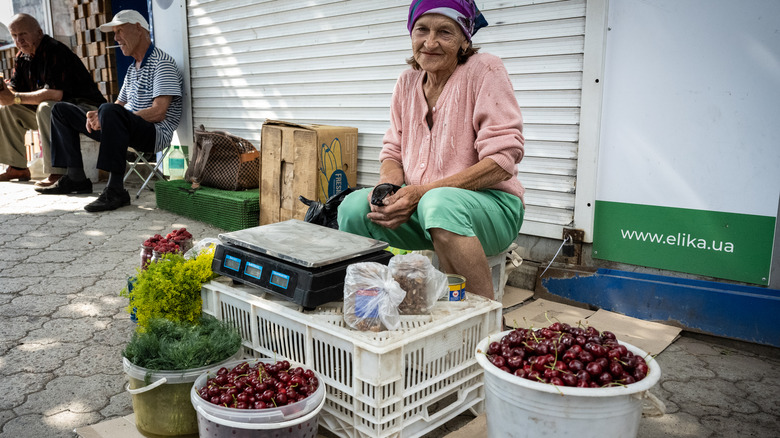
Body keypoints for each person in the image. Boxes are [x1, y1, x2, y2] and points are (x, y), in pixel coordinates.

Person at [337, 0, 525, 300]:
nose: (430, 42)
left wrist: (421, 192)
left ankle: (484, 319)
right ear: (411, 34)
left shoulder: (484, 69)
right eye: (421, 29)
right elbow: (393, 152)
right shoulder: (407, 81)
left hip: (491, 209)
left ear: (465, 39)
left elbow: (502, 160)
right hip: (427, 207)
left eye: (445, 32)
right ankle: (374, 307)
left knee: (438, 203)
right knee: (353, 208)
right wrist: (388, 190)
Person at [37, 9, 183, 212]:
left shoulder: (162, 63)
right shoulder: (133, 68)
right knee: (60, 110)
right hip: (124, 128)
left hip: (153, 134)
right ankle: (75, 177)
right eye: (114, 33)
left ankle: (116, 190)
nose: (116, 38)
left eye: (120, 31)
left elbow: (159, 112)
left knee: (109, 111)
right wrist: (98, 117)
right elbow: (118, 106)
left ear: (138, 29)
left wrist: (111, 116)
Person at [0, 13, 106, 185]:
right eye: (14, 35)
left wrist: (15, 97)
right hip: (57, 111)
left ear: (39, 33)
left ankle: (59, 171)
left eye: (23, 34)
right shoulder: (22, 56)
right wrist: (6, 91)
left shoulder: (55, 51)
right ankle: (18, 168)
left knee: (47, 107)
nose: (19, 40)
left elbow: (55, 94)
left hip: (85, 110)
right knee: (7, 109)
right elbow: (15, 87)